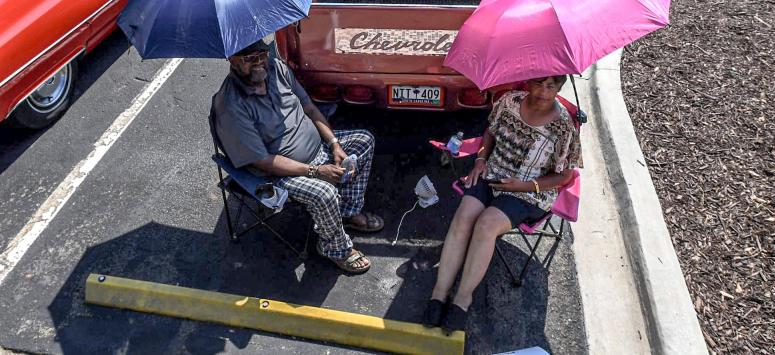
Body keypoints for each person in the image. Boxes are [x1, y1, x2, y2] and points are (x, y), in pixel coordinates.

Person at [423, 76, 581, 333]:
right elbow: (491, 133)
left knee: (486, 225)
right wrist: (480, 159)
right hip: (492, 173)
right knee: (465, 216)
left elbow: (564, 175)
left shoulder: (564, 126)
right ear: (528, 83)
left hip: (529, 190)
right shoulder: (509, 102)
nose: (543, 91)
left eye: (552, 86)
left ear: (560, 87)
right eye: (539, 83)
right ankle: (439, 293)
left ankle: (463, 298)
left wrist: (524, 186)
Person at [213, 39, 384, 274]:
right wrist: (315, 172)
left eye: (261, 54)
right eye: (249, 59)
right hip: (279, 172)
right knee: (324, 192)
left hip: (317, 149)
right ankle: (335, 248)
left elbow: (310, 107)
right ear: (230, 60)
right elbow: (262, 161)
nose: (259, 63)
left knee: (363, 140)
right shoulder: (230, 105)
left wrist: (333, 144)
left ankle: (347, 211)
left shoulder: (278, 69)